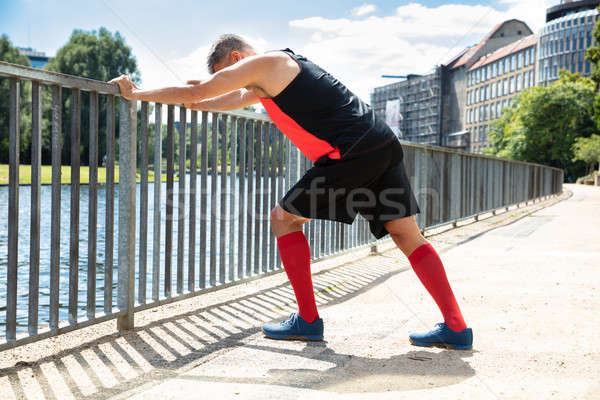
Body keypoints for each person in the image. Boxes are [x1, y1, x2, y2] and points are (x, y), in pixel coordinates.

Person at [109, 34, 473, 350]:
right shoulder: (276, 73)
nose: (227, 79)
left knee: (283, 220)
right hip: (380, 143)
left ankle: (308, 321)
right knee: (406, 233)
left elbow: (202, 90)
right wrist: (194, 102)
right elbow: (227, 98)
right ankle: (457, 327)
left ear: (236, 58)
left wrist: (137, 93)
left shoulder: (267, 62)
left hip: (351, 150)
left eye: (224, 72)